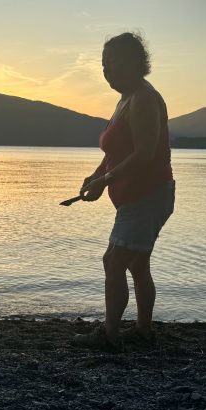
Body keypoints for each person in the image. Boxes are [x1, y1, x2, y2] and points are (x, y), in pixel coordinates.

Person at [73, 32, 175, 351]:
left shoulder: (144, 98)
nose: (106, 69)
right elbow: (116, 150)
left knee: (113, 262)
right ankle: (143, 330)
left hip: (148, 196)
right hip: (138, 197)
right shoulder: (126, 99)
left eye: (112, 61)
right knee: (137, 264)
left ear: (133, 61)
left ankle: (110, 335)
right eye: (103, 63)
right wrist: (96, 176)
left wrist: (105, 180)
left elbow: (144, 154)